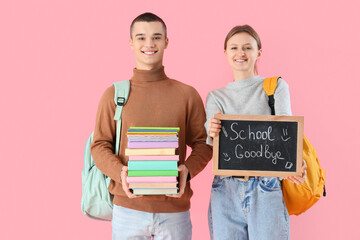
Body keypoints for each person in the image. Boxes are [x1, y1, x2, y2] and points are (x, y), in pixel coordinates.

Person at [91, 12, 212, 240]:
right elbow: (99, 145)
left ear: (166, 42)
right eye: (141, 37)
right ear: (131, 42)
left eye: (156, 37)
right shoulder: (114, 95)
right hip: (127, 210)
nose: (149, 44)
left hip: (175, 212)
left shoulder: (187, 94)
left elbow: (204, 143)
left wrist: (188, 169)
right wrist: (120, 173)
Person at [205, 25, 307, 240]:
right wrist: (211, 130)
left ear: (258, 52)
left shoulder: (275, 87)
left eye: (247, 47)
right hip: (226, 186)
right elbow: (213, 143)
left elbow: (286, 132)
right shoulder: (216, 96)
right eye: (234, 48)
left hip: (266, 184)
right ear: (225, 53)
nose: (240, 53)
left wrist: (294, 163)